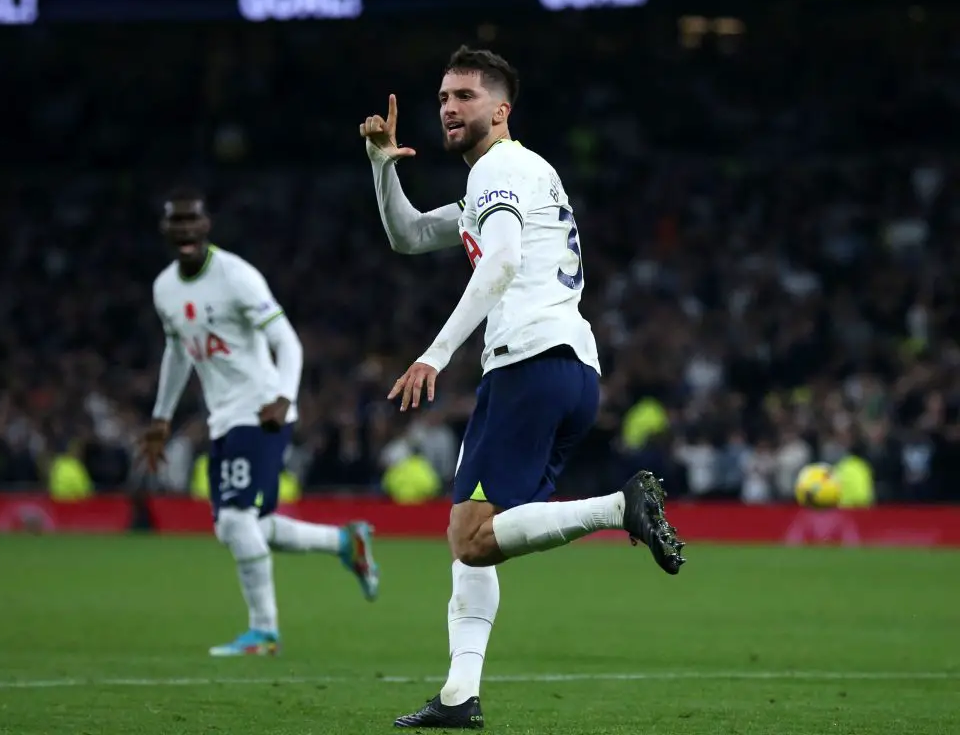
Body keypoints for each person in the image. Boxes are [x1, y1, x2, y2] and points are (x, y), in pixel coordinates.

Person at [359, 47, 686, 728]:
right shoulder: (505, 177)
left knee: (471, 539)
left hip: (528, 364)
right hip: (566, 368)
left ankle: (617, 509)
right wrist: (381, 162)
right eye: (444, 95)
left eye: (465, 97)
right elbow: (410, 235)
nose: (449, 107)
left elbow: (503, 260)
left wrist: (434, 354)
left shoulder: (502, 167)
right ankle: (458, 695)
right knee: (471, 529)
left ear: (501, 110)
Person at [140, 187, 380, 657]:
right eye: (177, 222)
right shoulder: (164, 289)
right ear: (166, 231)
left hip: (261, 412)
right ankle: (346, 542)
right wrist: (161, 418)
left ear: (206, 226)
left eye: (194, 220)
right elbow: (176, 353)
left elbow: (288, 341)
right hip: (225, 418)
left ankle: (264, 632)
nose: (185, 229)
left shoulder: (237, 277)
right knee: (246, 524)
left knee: (234, 517)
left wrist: (282, 397)